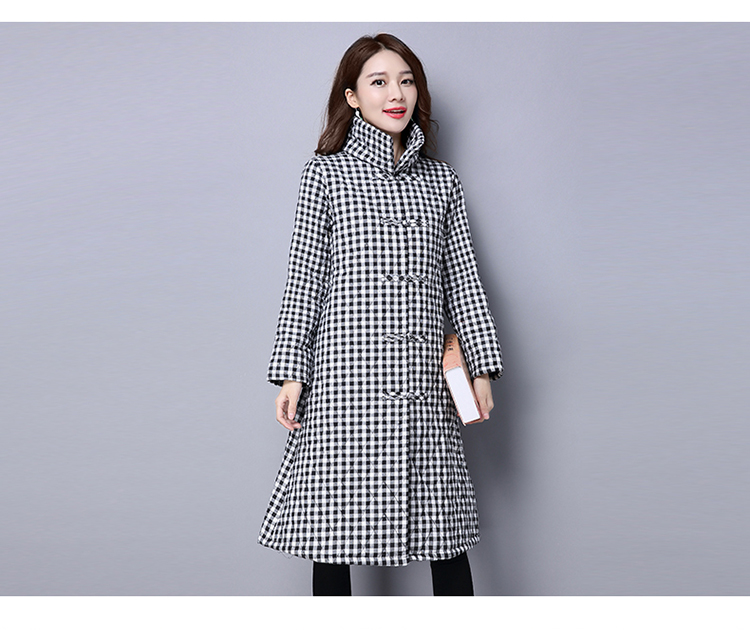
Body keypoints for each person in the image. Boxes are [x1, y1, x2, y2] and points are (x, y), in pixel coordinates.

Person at [259, 33, 504, 596]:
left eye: (407, 81)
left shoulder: (442, 181)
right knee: (331, 535)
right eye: (379, 82)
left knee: (443, 532)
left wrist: (482, 369)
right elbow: (304, 281)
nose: (396, 94)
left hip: (423, 382)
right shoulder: (324, 174)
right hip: (344, 384)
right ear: (352, 97)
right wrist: (292, 374)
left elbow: (464, 279)